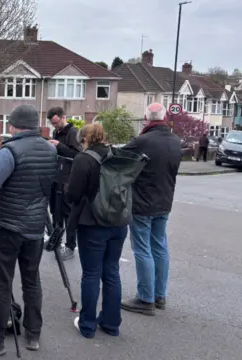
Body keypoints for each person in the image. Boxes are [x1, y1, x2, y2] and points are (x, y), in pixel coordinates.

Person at [0, 105, 57, 355]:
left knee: (2, 283)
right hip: (35, 226)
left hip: (9, 226)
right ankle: (33, 335)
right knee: (32, 281)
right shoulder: (49, 149)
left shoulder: (10, 150)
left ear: (13, 125)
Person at [65, 123, 128, 338]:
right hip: (118, 221)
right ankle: (111, 324)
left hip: (92, 223)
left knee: (91, 274)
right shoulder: (117, 156)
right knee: (111, 272)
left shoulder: (84, 159)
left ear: (84, 139)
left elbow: (72, 194)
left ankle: (87, 325)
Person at [120, 103, 182, 315]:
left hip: (142, 203)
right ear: (164, 117)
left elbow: (118, 158)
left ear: (146, 117)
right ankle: (159, 295)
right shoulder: (175, 141)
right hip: (164, 202)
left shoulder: (142, 141)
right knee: (160, 247)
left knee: (142, 249)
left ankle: (145, 299)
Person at [47, 107, 82, 261]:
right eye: (52, 123)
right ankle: (56, 241)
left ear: (63, 118)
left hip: (67, 179)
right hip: (55, 177)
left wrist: (58, 145)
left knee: (68, 214)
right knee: (55, 212)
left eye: (56, 122)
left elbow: (77, 155)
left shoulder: (73, 132)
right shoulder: (56, 133)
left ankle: (70, 246)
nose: (54, 126)